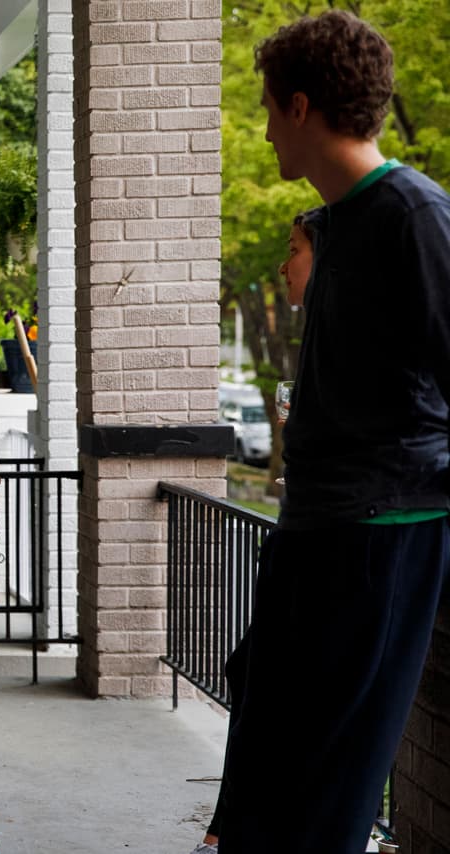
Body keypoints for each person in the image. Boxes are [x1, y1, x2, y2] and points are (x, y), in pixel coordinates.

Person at [208, 11, 450, 853]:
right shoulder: (337, 222)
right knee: (262, 780)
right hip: (317, 531)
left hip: (382, 538)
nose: (266, 130)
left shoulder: (414, 215)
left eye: (268, 109)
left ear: (301, 107)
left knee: (323, 800)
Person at [187, 208, 322, 854]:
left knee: (265, 685)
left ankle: (233, 830)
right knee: (248, 673)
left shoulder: (348, 338)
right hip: (296, 540)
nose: (282, 264)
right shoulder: (317, 338)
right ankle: (228, 827)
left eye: (294, 249)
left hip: (323, 551)